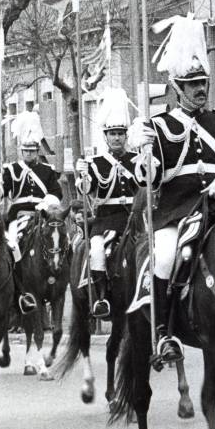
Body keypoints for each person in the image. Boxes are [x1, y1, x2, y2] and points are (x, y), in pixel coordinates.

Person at [127, 15, 215, 366]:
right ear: (177, 88)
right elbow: (151, 178)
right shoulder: (160, 126)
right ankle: (164, 331)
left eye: (202, 82)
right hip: (178, 213)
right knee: (163, 256)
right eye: (192, 84)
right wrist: (142, 156)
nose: (200, 89)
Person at [75, 89, 138, 320]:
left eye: (121, 133)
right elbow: (87, 190)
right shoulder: (95, 163)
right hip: (106, 219)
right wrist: (82, 177)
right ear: (106, 136)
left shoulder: (137, 159)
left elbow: (147, 184)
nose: (117, 138)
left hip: (134, 218)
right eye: (113, 133)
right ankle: (102, 297)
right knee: (98, 251)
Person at [2, 110, 62, 315]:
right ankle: (16, 290)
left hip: (40, 215)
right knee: (12, 247)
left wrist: (45, 205)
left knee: (57, 240)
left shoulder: (47, 170)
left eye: (32, 151)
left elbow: (57, 193)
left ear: (37, 151)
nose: (29, 154)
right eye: (26, 151)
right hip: (18, 216)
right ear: (21, 150)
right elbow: (4, 190)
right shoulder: (11, 170)